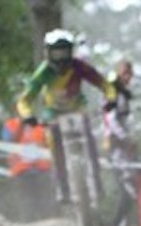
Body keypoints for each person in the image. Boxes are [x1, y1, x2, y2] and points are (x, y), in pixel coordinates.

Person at [15, 29, 115, 205]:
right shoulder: (43, 72)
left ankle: (97, 184)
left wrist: (111, 99)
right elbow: (24, 99)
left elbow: (104, 84)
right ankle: (63, 187)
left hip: (77, 108)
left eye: (64, 52)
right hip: (52, 112)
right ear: (48, 53)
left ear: (70, 51)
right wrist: (27, 115)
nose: (60, 58)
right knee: (55, 145)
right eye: (56, 52)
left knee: (90, 139)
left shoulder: (79, 66)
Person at [101, 59, 141, 226]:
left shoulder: (122, 93)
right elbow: (110, 119)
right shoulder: (113, 91)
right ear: (118, 72)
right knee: (130, 190)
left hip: (125, 148)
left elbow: (122, 119)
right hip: (117, 148)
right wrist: (125, 138)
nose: (129, 77)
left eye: (130, 74)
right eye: (126, 73)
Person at [0, 113, 54, 222]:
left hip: (42, 169)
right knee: (25, 202)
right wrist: (21, 124)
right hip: (20, 170)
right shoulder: (9, 125)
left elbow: (49, 142)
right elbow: (9, 142)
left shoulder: (40, 123)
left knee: (45, 200)